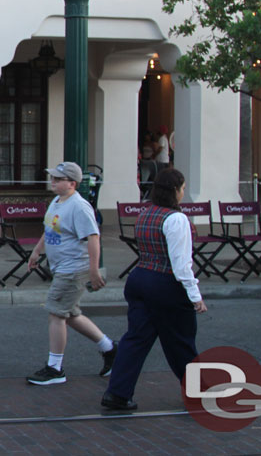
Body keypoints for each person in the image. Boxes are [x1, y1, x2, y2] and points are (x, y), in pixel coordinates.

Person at [101, 168, 206, 411]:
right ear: (175, 190)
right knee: (180, 341)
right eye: (182, 188)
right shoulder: (176, 219)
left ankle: (117, 393)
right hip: (165, 282)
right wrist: (195, 296)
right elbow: (181, 265)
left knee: (136, 339)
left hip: (140, 276)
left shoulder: (146, 214)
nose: (183, 193)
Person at [26, 161, 116, 385]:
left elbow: (93, 237)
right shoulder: (56, 202)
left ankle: (55, 368)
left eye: (58, 179)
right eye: (52, 178)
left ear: (72, 183)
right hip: (61, 267)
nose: (53, 182)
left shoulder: (79, 206)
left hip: (73, 268)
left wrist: (94, 271)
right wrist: (37, 251)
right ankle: (110, 349)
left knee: (56, 314)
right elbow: (50, 229)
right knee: (71, 314)